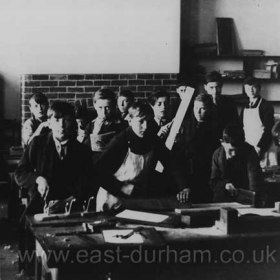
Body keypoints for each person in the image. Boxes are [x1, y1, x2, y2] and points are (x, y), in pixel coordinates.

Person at [95, 101, 190, 211]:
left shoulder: (153, 139)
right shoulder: (119, 141)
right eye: (141, 121)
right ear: (130, 120)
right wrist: (122, 187)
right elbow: (98, 173)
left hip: (136, 196)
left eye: (148, 121)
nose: (145, 127)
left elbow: (170, 162)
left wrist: (184, 187)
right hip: (112, 196)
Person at [15, 101, 95, 214]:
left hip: (72, 206)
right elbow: (19, 173)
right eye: (56, 120)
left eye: (66, 120)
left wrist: (69, 200)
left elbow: (88, 181)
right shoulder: (38, 144)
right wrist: (38, 179)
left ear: (72, 122)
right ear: (49, 123)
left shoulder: (81, 150)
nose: (61, 126)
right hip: (41, 205)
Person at [173, 93, 220, 203]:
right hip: (186, 177)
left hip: (206, 178)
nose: (198, 112)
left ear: (209, 109)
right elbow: (176, 158)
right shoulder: (185, 126)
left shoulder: (216, 128)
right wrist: (183, 185)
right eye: (196, 108)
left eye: (202, 108)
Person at [210, 124, 263, 203]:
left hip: (245, 199)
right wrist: (225, 185)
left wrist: (253, 199)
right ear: (222, 143)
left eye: (236, 150)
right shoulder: (217, 154)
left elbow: (254, 181)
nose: (234, 154)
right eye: (231, 150)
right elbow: (213, 182)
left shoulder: (249, 151)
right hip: (221, 199)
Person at [84, 88, 125, 161]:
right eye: (100, 107)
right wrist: (95, 132)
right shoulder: (90, 126)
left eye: (107, 108)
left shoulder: (122, 124)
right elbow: (85, 149)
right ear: (95, 105)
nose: (104, 112)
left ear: (113, 106)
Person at [240, 77, 275, 163]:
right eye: (248, 88)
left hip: (263, 147)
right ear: (245, 90)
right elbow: (241, 127)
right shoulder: (245, 106)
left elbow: (269, 130)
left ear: (259, 88)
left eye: (253, 87)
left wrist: (260, 147)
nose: (251, 90)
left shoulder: (266, 106)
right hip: (248, 146)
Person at [204, 71, 239, 135]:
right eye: (211, 87)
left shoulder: (230, 103)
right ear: (205, 87)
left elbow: (234, 125)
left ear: (221, 86)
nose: (215, 91)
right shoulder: (201, 103)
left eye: (217, 87)